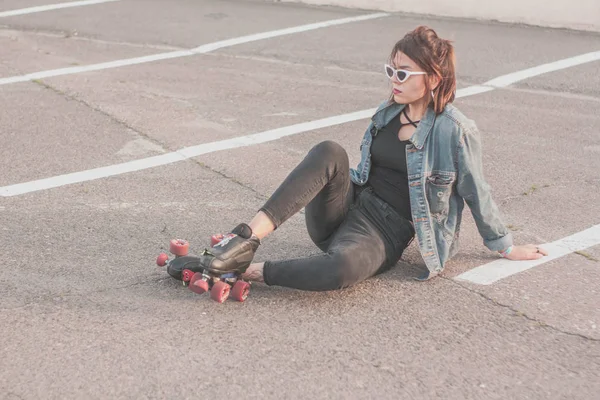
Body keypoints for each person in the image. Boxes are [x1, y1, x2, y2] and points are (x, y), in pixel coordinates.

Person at [196, 25, 548, 292]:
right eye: (391, 70)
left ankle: (249, 271)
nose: (394, 80)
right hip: (347, 209)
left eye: (403, 73)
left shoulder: (455, 131)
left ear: (434, 79)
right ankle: (242, 239)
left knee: (342, 268)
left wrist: (505, 247)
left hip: (382, 235)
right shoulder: (388, 112)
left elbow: (476, 191)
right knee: (330, 151)